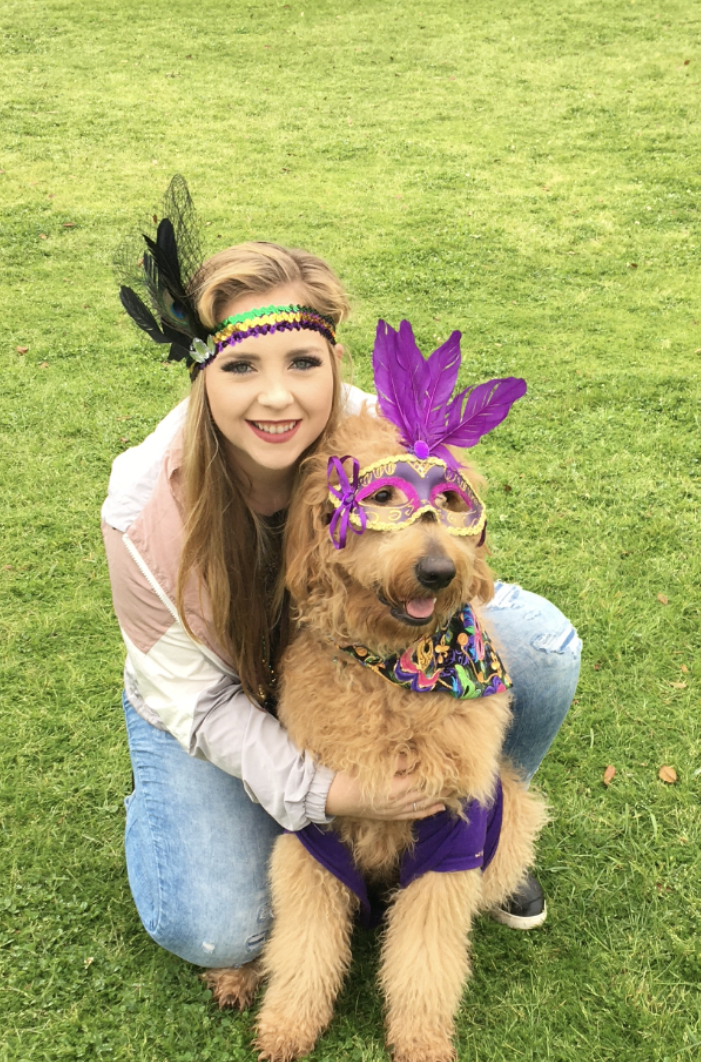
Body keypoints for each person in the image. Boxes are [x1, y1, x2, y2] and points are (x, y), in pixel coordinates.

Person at [102, 179, 581, 973]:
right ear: (201, 376)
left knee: (543, 647)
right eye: (241, 366)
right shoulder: (140, 509)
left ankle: (470, 826)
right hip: (216, 695)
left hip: (353, 645)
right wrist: (339, 796)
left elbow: (445, 546)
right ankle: (180, 804)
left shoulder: (384, 435)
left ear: (334, 361)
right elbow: (200, 701)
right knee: (216, 929)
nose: (277, 396)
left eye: (302, 361)